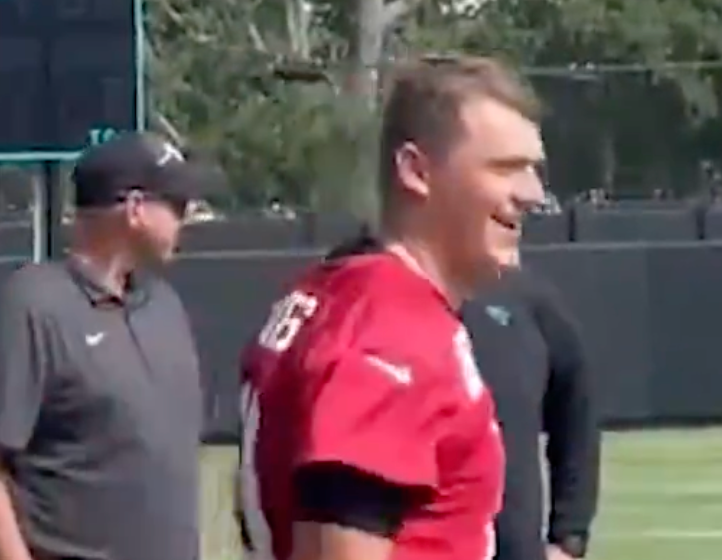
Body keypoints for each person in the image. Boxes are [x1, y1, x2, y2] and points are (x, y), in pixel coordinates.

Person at [236, 54, 547, 560]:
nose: (532, 194)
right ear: (416, 171)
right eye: (505, 168)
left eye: (533, 170)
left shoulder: (337, 294)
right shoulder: (392, 327)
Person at [0, 131, 221, 560]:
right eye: (176, 204)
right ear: (135, 209)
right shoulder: (36, 304)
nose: (188, 215)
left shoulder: (164, 305)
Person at [461, 254, 600, 560]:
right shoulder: (367, 288)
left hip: (513, 546)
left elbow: (577, 407)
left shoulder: (525, 297)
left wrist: (570, 535)